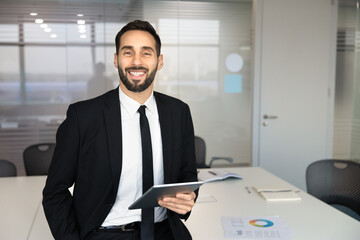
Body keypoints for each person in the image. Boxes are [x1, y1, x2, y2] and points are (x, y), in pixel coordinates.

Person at [42, 20, 198, 240]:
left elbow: (187, 174)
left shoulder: (179, 112)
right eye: (128, 52)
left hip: (165, 231)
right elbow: (55, 192)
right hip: (105, 234)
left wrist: (188, 198)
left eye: (146, 53)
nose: (136, 61)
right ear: (116, 60)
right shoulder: (83, 117)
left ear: (159, 61)